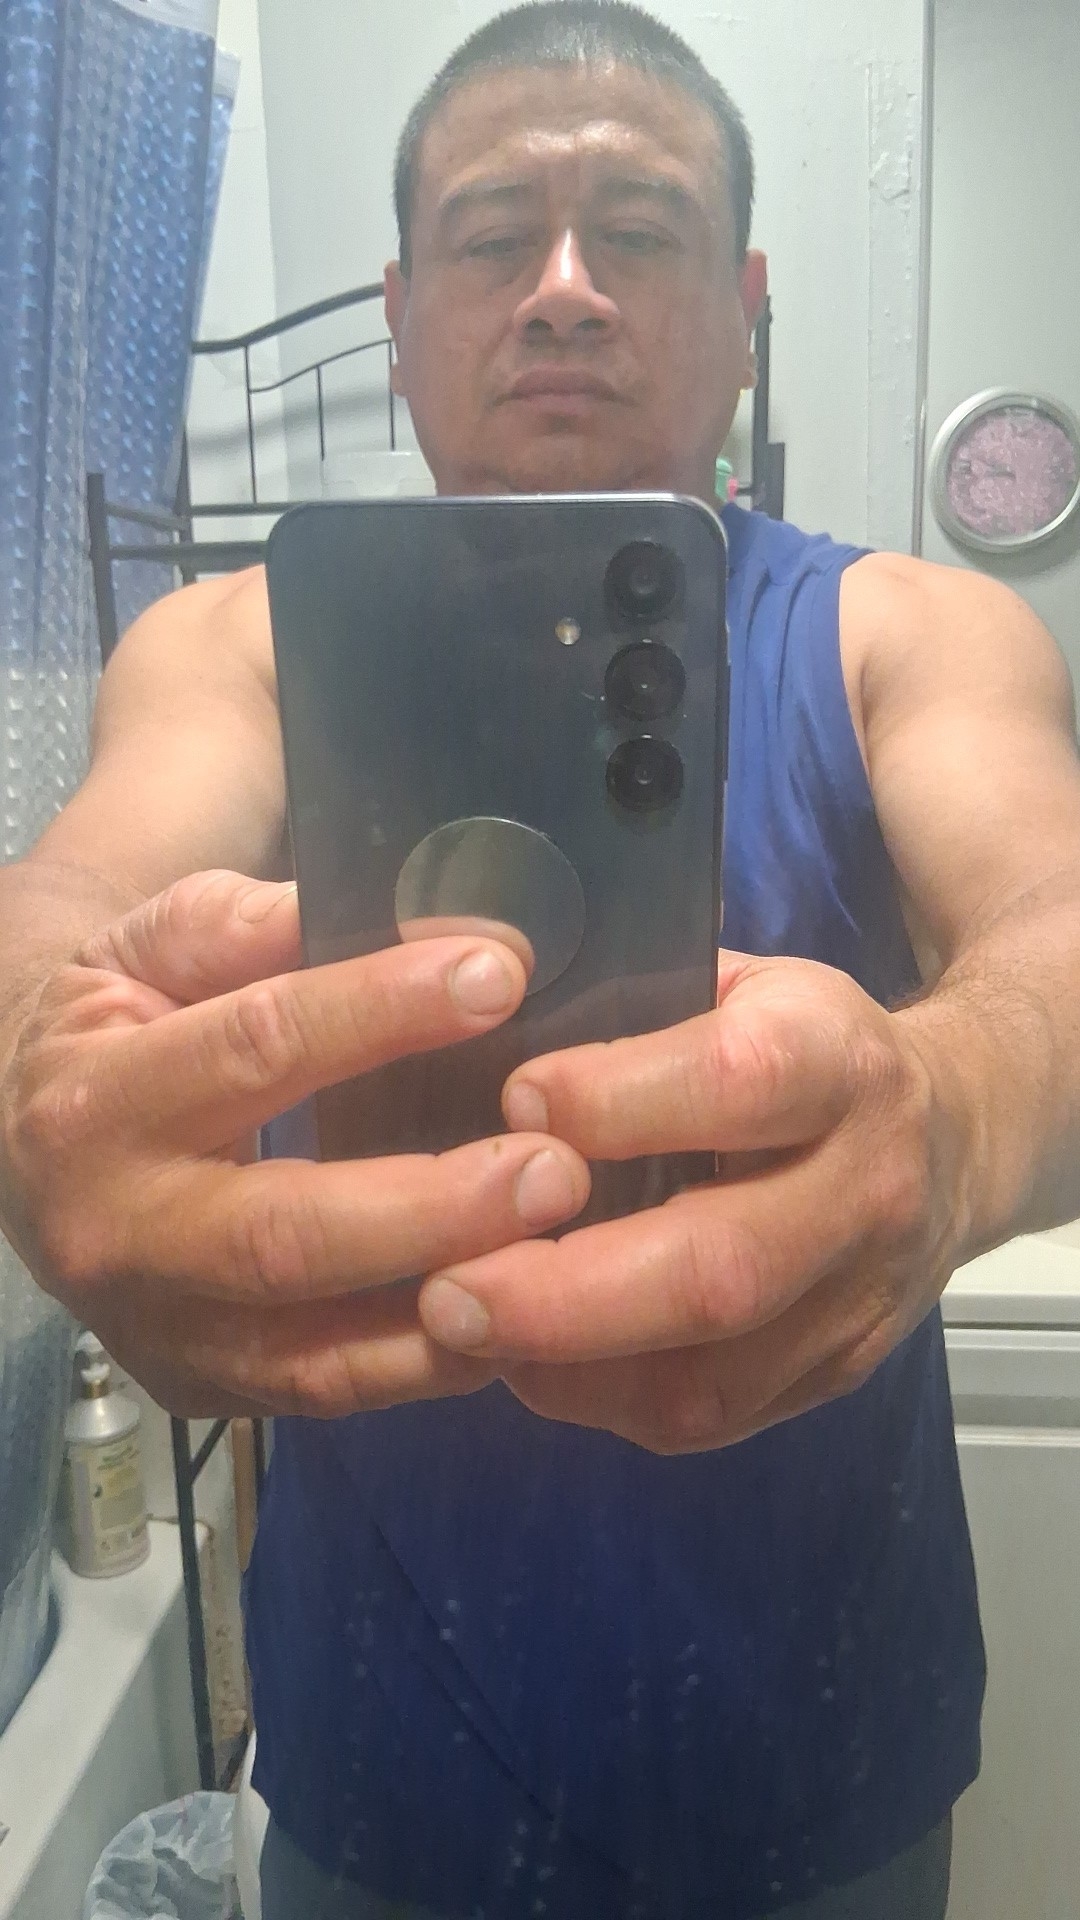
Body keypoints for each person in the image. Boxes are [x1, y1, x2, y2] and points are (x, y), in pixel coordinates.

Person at [3, 2, 1080, 1914]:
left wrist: (957, 1108)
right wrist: (34, 1068)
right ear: (400, 312)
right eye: (496, 237)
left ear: (744, 311)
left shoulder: (909, 633)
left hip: (823, 1770)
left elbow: (1058, 928)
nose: (565, 289)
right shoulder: (236, 648)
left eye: (639, 234)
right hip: (380, 1774)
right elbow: (68, 898)